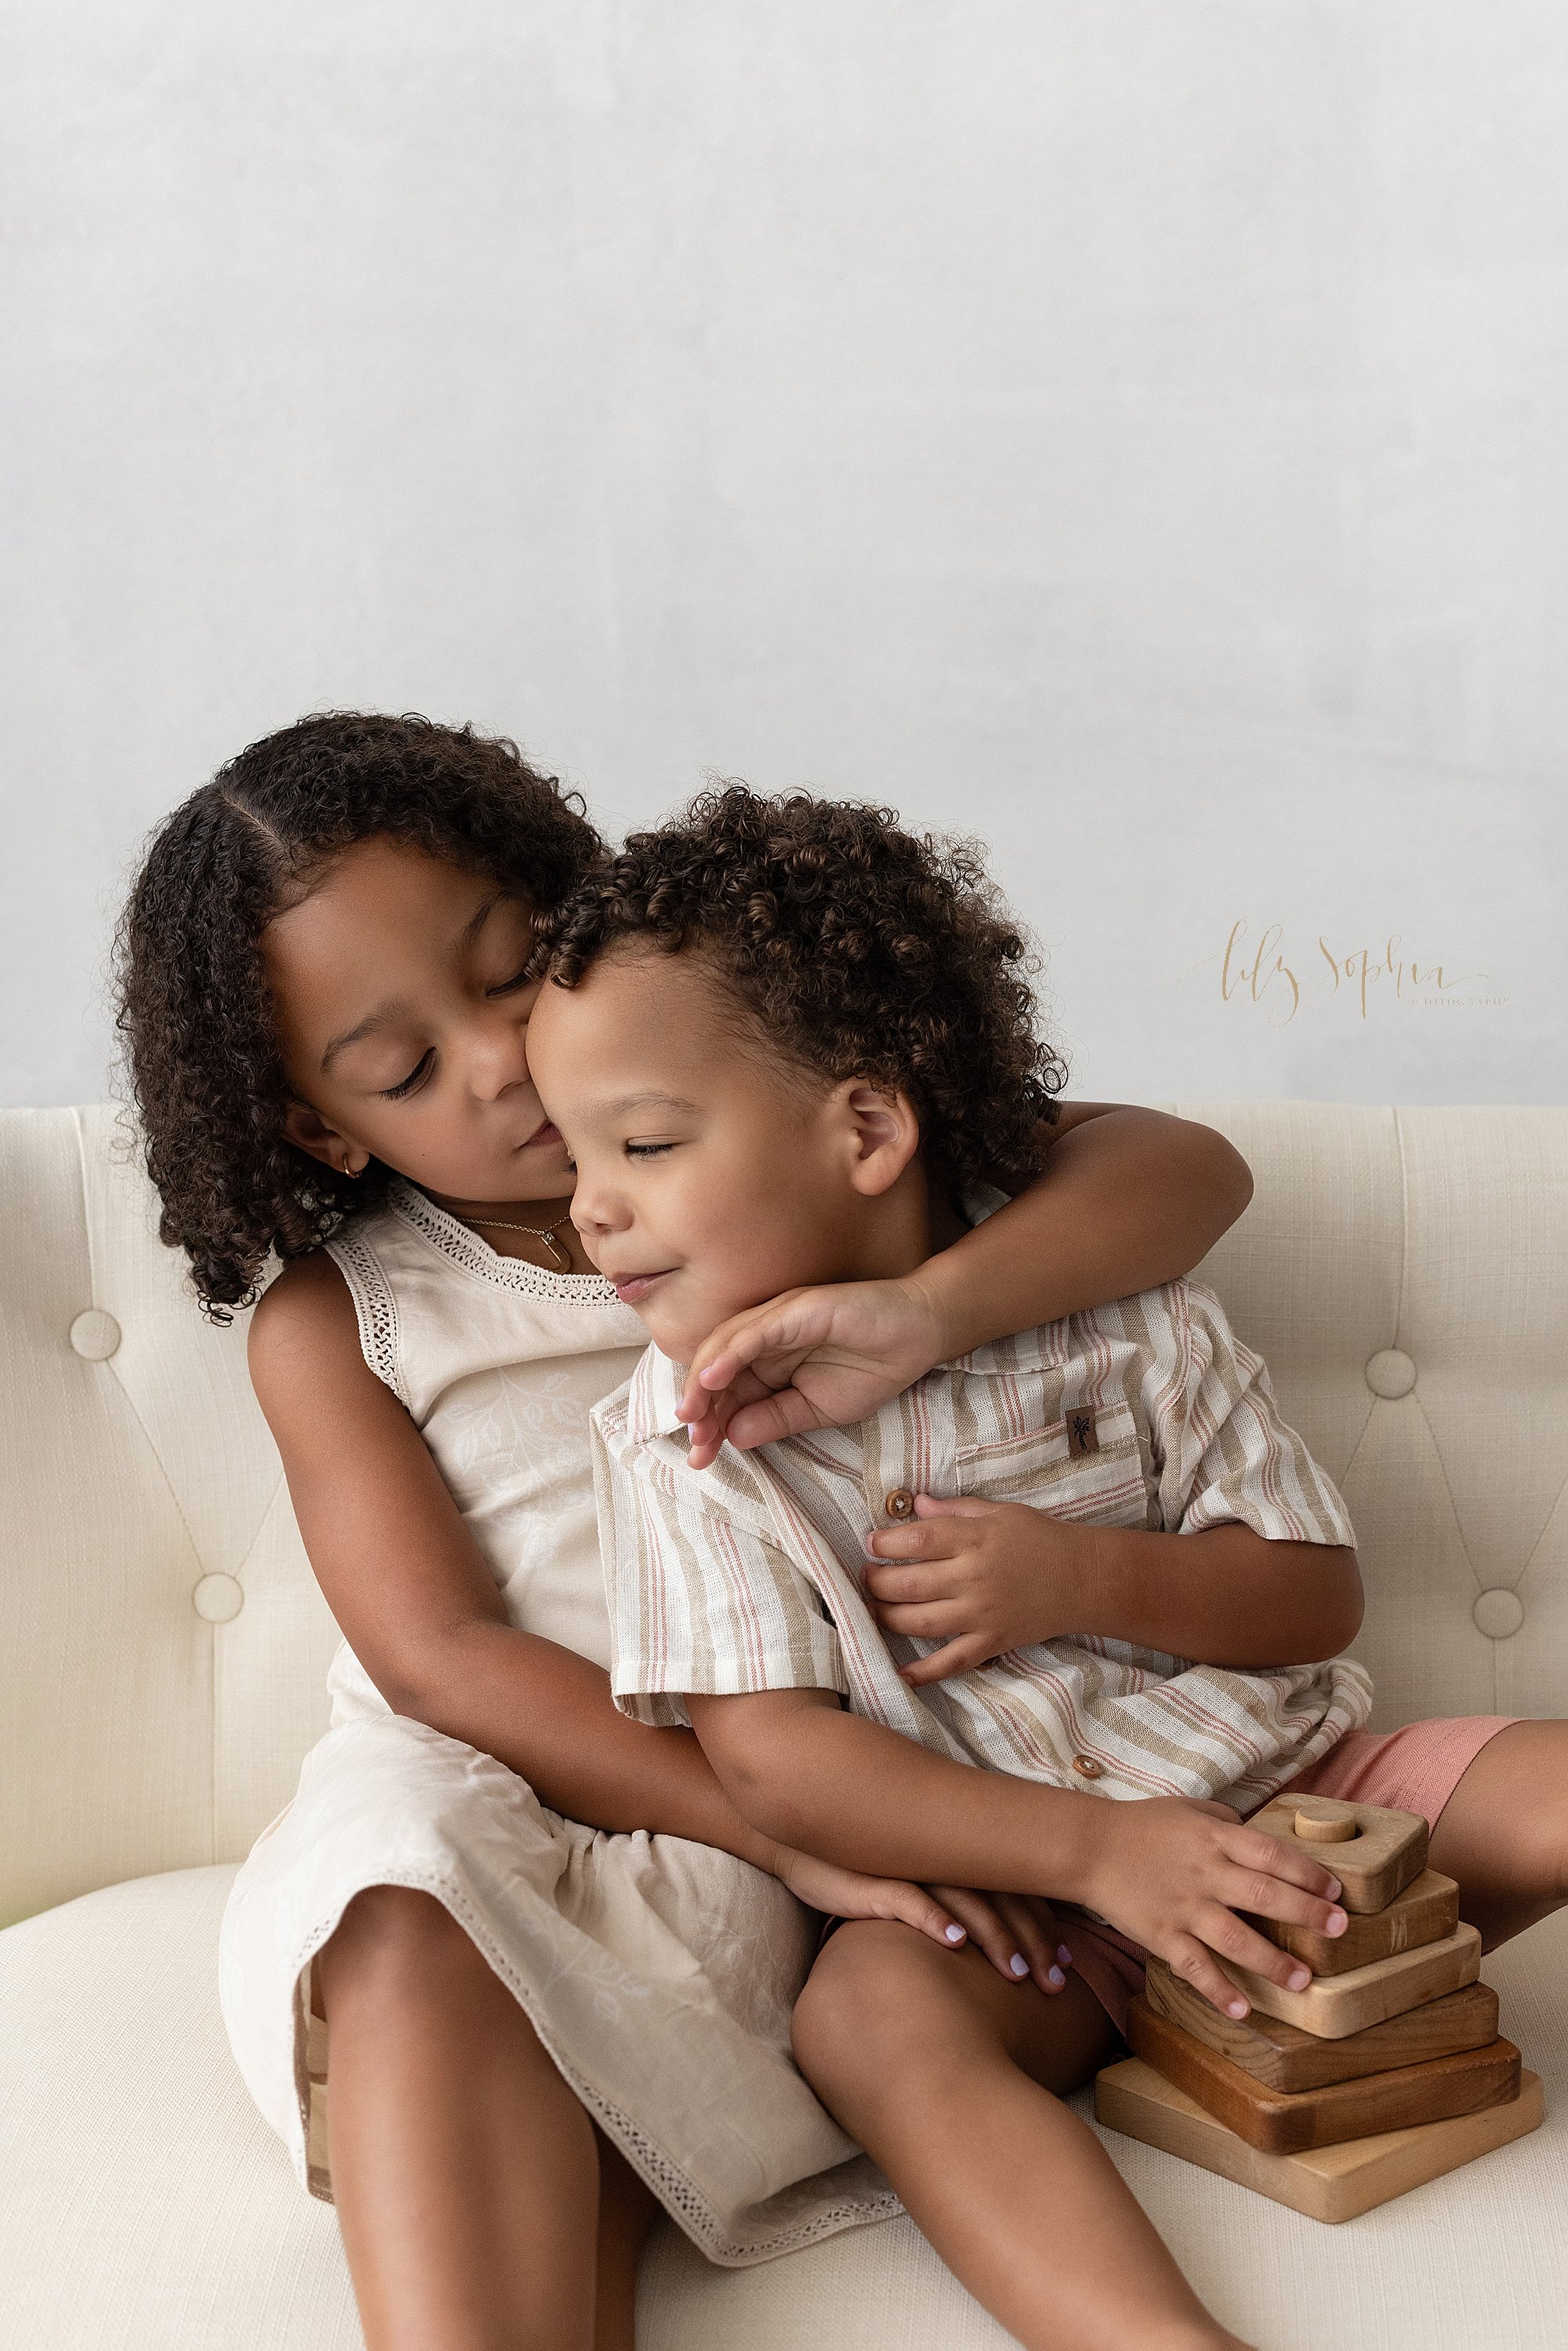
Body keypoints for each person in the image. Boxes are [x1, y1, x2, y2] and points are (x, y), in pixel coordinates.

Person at [114, 711, 1260, 2351]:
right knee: (406, 1890)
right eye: (406, 1067)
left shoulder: (758, 1144)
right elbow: (439, 1656)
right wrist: (786, 1833)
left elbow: (1182, 1167)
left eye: (509, 970)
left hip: (766, 1767)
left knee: (625, 2024)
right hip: (512, 1778)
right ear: (322, 1127)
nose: (501, 1059)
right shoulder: (337, 1313)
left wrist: (922, 1309)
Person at [526, 783, 1546, 2351]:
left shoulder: (1121, 1306)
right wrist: (1094, 1855)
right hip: (1035, 1916)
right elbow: (778, 1759)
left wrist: (1086, 1576)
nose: (591, 1207)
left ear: (867, 1128)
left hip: (1310, 1812)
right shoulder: (682, 1432)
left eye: (645, 1143)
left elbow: (1310, 1593)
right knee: (865, 2015)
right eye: (576, 1153)